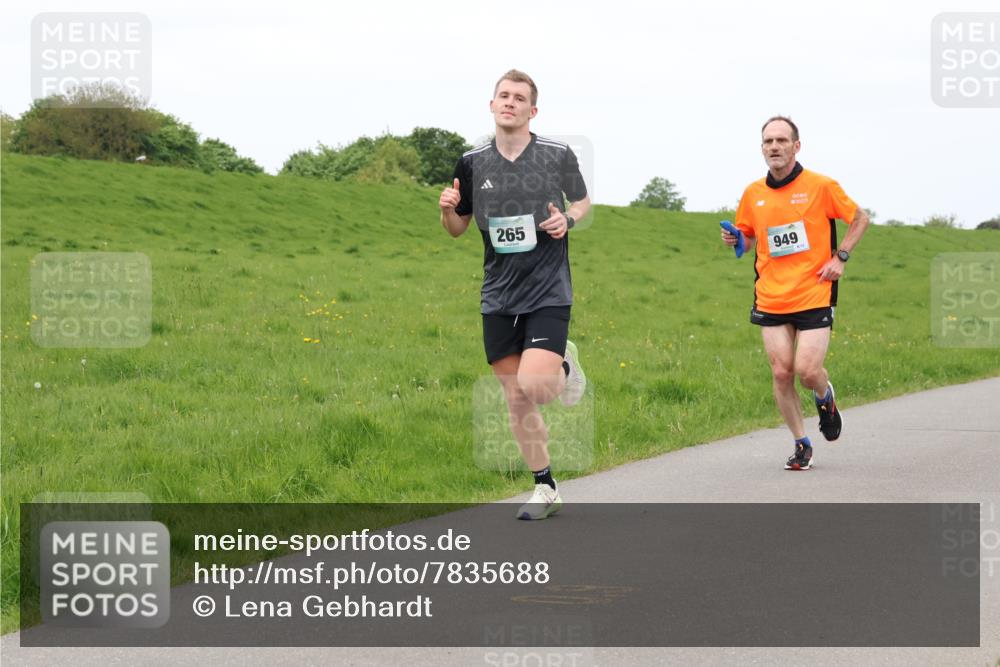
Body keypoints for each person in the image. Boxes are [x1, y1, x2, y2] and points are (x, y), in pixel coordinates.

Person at [439, 69, 591, 518]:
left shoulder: (556, 155)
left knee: (536, 387)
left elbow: (581, 201)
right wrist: (446, 211)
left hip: (547, 288)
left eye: (519, 98)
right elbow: (457, 228)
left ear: (532, 110)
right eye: (503, 95)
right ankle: (545, 487)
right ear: (491, 105)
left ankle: (564, 363)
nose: (510, 102)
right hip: (498, 293)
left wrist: (568, 220)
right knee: (516, 397)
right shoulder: (471, 162)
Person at [721, 115, 870, 470]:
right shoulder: (753, 193)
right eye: (768, 141)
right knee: (781, 373)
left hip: (814, 291)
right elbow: (748, 237)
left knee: (806, 371)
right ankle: (801, 443)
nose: (774, 147)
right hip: (771, 296)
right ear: (762, 148)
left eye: (781, 140)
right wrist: (736, 238)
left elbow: (860, 218)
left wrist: (840, 257)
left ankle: (824, 395)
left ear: (796, 146)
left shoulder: (821, 186)